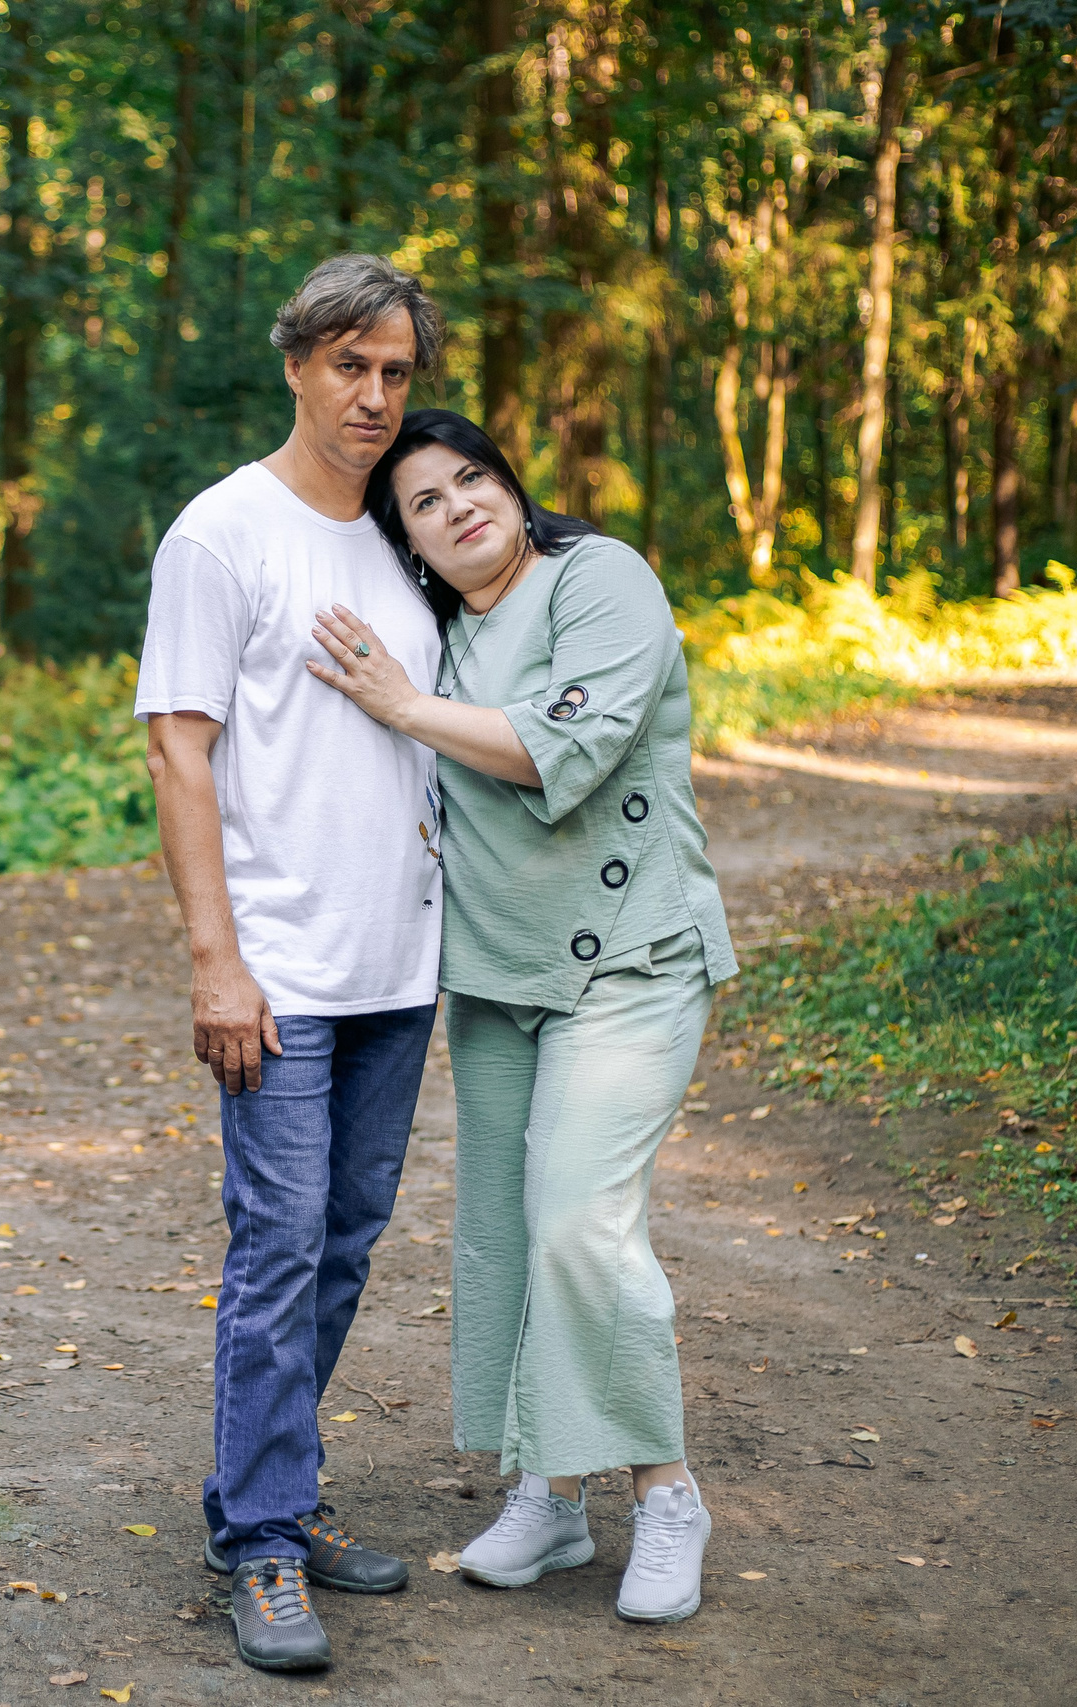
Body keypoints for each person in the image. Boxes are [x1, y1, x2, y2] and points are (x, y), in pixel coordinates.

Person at [302, 408, 737, 1625]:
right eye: (423, 507)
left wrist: (402, 706)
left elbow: (569, 747)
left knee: (576, 1225)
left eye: (469, 478)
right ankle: (546, 1494)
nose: (456, 508)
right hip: (494, 975)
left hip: (630, 960)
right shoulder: (433, 632)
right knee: (500, 1235)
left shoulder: (599, 578)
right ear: (412, 549)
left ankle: (666, 1492)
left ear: (508, 481)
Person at [136, 255, 447, 1675]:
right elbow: (177, 745)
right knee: (276, 1247)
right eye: (349, 366)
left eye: (394, 371)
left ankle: (263, 1490)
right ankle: (261, 1542)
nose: (374, 395)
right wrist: (219, 963)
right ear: (296, 365)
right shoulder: (222, 533)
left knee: (344, 1242)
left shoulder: (404, 532)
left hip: (400, 961)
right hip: (281, 972)